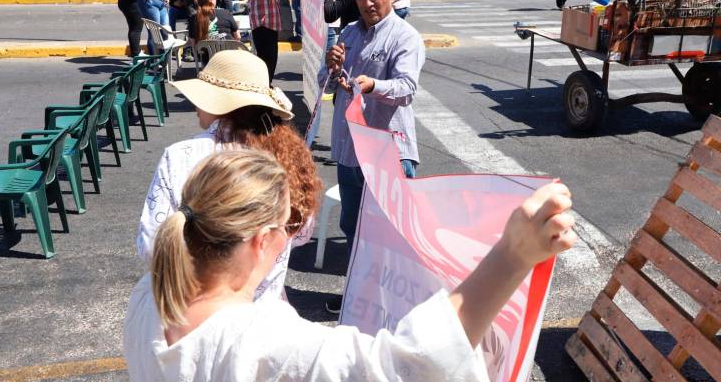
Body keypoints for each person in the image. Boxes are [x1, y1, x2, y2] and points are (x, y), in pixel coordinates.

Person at [125, 147, 576, 381]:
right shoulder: (266, 345)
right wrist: (512, 255)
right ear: (261, 240)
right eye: (289, 225)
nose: (292, 236)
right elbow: (409, 367)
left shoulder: (149, 296)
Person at [135, 49, 322, 300]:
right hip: (265, 309)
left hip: (194, 307)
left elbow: (151, 244)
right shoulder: (290, 157)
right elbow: (301, 234)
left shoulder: (180, 156)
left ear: (220, 102)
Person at [319, 0, 425, 314]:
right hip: (351, 149)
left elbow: (407, 88)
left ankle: (397, 303)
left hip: (388, 150)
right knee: (353, 227)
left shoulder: (405, 36)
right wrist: (331, 67)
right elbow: (325, 85)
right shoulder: (348, 33)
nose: (367, 3)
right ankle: (359, 292)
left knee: (391, 231)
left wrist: (372, 85)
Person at [248, 0, 293, 83]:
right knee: (265, 58)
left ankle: (267, 85)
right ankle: (263, 85)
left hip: (272, 23)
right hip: (262, 24)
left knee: (272, 57)